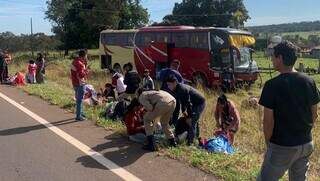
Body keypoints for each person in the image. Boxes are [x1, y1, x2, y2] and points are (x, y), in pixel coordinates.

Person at [257, 41, 320, 181]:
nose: (271, 59)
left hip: (283, 146)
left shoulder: (272, 85)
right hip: (306, 144)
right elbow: (314, 113)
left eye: (273, 56)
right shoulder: (309, 81)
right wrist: (304, 133)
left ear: (280, 58)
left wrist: (270, 145)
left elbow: (268, 122)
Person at [166, 75, 206, 145]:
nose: (168, 87)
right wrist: (183, 111)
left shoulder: (182, 89)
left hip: (199, 103)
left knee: (192, 121)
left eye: (169, 85)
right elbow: (180, 102)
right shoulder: (176, 89)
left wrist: (190, 116)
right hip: (193, 103)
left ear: (175, 82)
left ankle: (190, 143)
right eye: (167, 85)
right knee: (191, 120)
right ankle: (195, 137)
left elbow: (188, 103)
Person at [159, 59, 184, 126]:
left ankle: (165, 125)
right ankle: (173, 125)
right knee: (176, 111)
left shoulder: (163, 71)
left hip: (164, 96)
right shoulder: (178, 75)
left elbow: (159, 79)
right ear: (177, 66)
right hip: (174, 98)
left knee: (165, 112)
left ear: (171, 65)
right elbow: (181, 86)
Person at [71, 49, 89, 121]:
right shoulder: (80, 64)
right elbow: (81, 75)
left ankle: (81, 113)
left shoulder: (74, 61)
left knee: (78, 99)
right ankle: (78, 116)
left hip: (74, 82)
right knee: (80, 100)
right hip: (80, 83)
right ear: (84, 55)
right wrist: (86, 71)